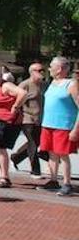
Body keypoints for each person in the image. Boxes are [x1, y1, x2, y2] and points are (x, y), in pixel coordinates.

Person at [36, 57, 79, 196]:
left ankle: (67, 183)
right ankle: (53, 180)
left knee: (63, 155)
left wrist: (76, 129)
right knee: (51, 153)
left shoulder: (72, 84)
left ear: (60, 68)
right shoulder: (53, 83)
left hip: (64, 126)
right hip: (48, 124)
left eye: (51, 66)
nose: (49, 69)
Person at [11, 62, 48, 178]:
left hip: (41, 120)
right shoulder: (24, 85)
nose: (42, 72)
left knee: (35, 143)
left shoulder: (45, 85)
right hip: (27, 118)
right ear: (31, 72)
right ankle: (35, 171)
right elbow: (15, 99)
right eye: (39, 70)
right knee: (32, 143)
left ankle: (15, 158)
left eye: (43, 70)